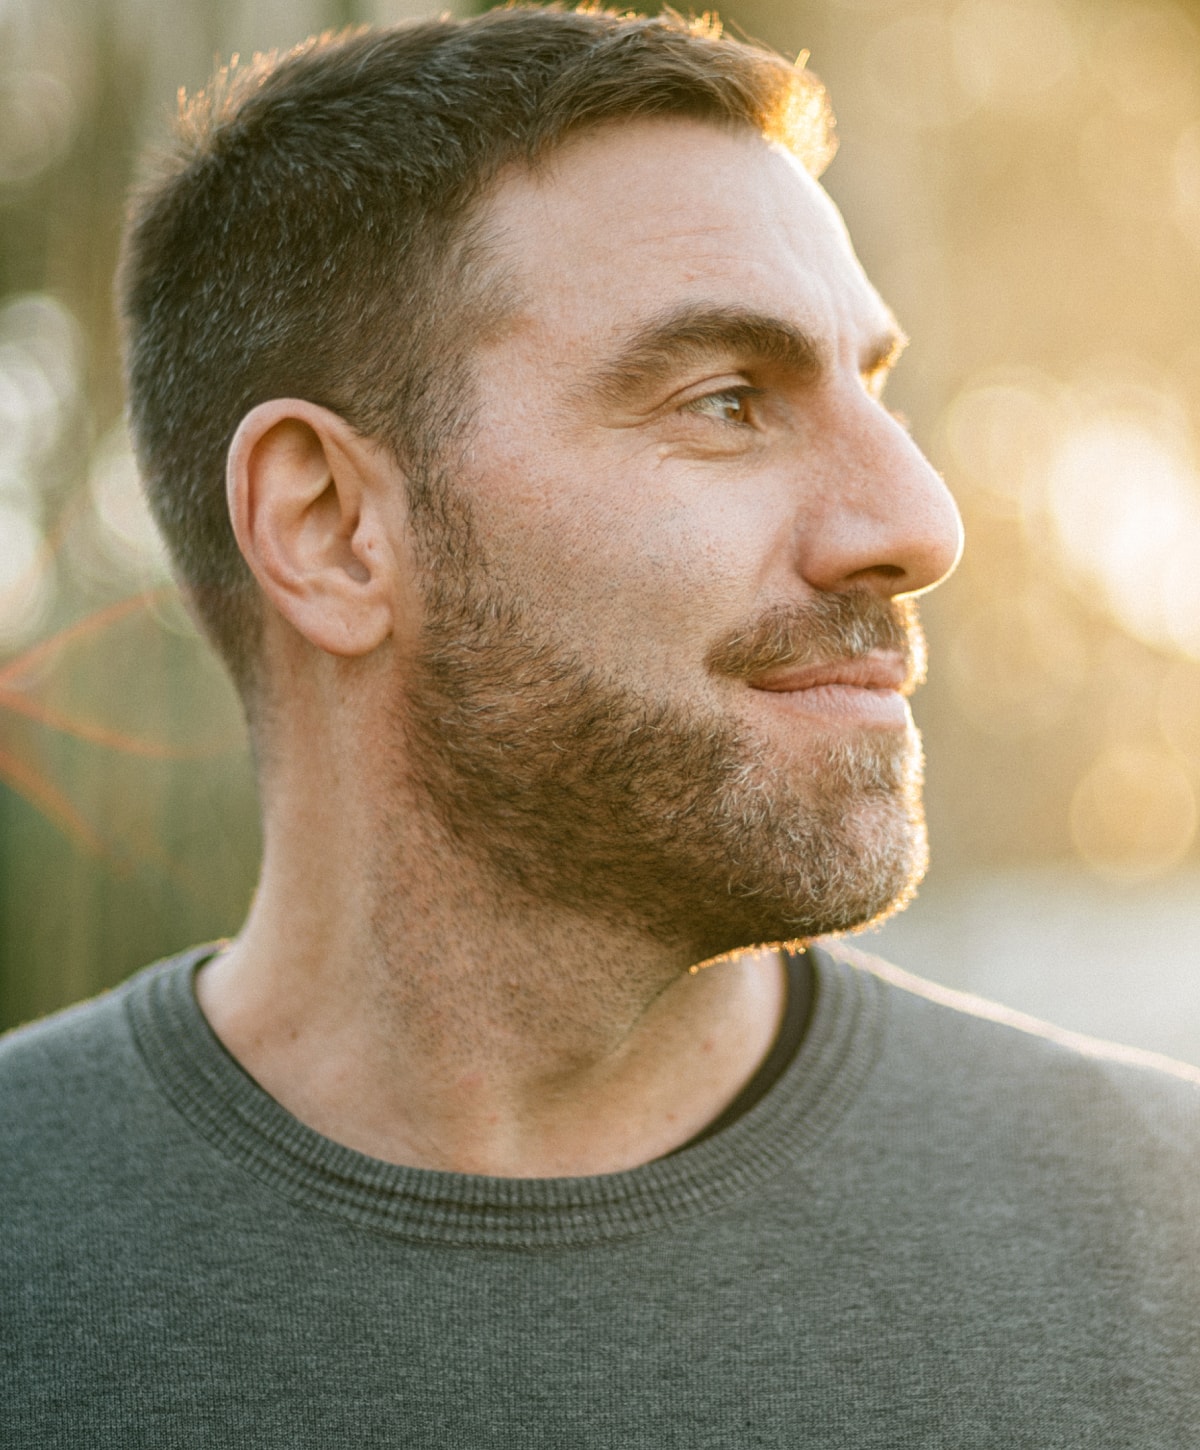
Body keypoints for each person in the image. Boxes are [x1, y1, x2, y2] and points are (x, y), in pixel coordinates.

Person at [3, 7, 1198, 1444]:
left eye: (867, 391)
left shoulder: (1162, 1246)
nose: (918, 524)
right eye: (728, 400)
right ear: (328, 529)